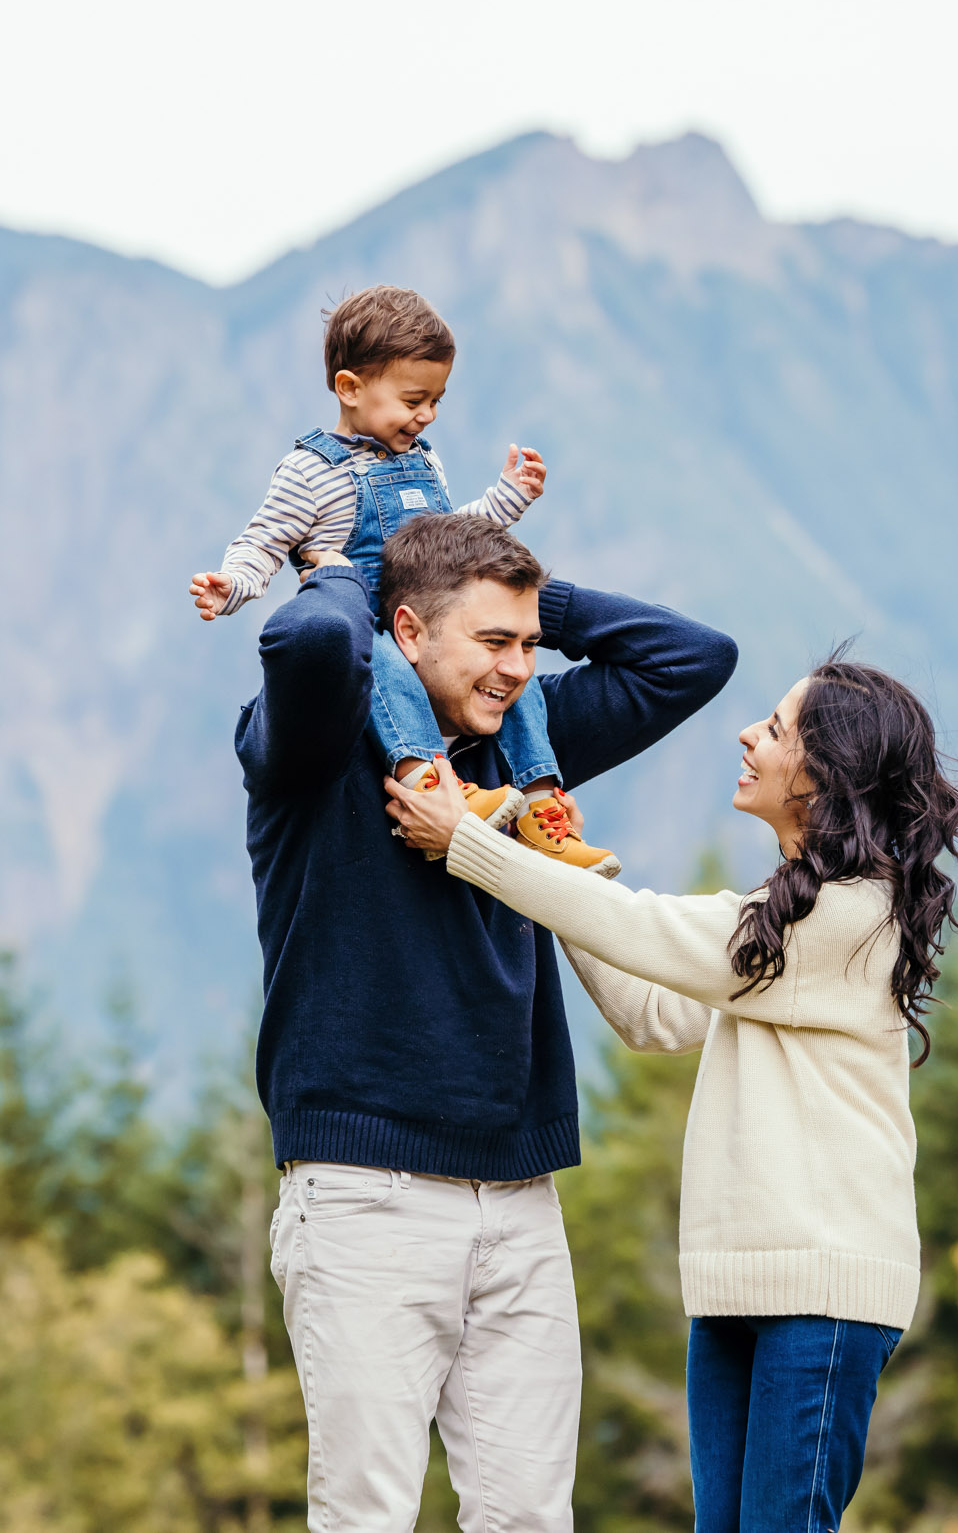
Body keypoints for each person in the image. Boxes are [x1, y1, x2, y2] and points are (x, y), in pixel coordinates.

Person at [387, 656, 958, 1533]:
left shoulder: (853, 917)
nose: (748, 734)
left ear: (827, 774)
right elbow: (651, 1011)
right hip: (737, 1287)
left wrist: (477, 847)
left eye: (775, 729)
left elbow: (645, 928)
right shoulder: (786, 910)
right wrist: (546, 859)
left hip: (822, 1297)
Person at [241, 508, 736, 1529]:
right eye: (493, 641)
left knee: (530, 1517)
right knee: (367, 1513)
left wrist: (528, 600)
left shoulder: (520, 739)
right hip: (363, 1191)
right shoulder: (315, 741)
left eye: (529, 643)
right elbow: (310, 638)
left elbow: (692, 657)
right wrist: (348, 567)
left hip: (520, 1194)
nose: (517, 667)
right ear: (407, 631)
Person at [192, 283, 618, 873]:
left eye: (436, 400)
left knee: (519, 684)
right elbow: (264, 539)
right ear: (350, 387)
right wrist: (234, 582)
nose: (427, 415)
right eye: (414, 399)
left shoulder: (423, 459)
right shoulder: (310, 472)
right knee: (385, 666)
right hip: (371, 625)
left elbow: (455, 540)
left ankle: (542, 808)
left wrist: (509, 498)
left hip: (439, 616)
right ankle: (430, 781)